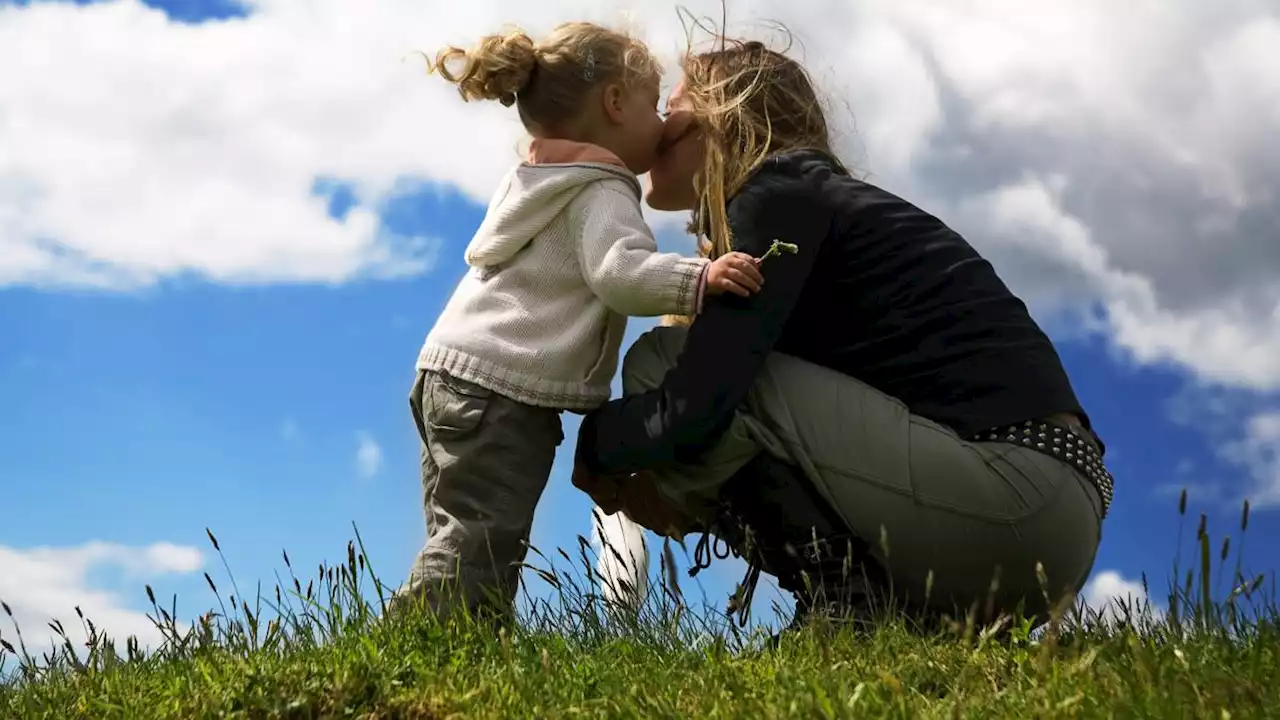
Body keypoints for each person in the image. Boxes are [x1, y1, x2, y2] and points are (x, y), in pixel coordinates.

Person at [571, 37, 1113, 633]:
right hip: (1043, 511)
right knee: (702, 389)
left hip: (1013, 498)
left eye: (670, 106)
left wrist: (597, 439)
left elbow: (693, 412)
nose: (656, 130)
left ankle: (847, 605)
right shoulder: (812, 199)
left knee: (659, 364)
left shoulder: (778, 194)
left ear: (723, 112)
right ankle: (903, 616)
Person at [394, 22, 766, 621]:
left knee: (461, 530)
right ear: (615, 103)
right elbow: (619, 272)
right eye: (653, 103)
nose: (664, 123)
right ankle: (415, 646)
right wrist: (700, 280)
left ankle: (460, 651)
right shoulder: (602, 190)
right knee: (484, 536)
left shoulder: (538, 179)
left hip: (451, 376)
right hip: (500, 388)